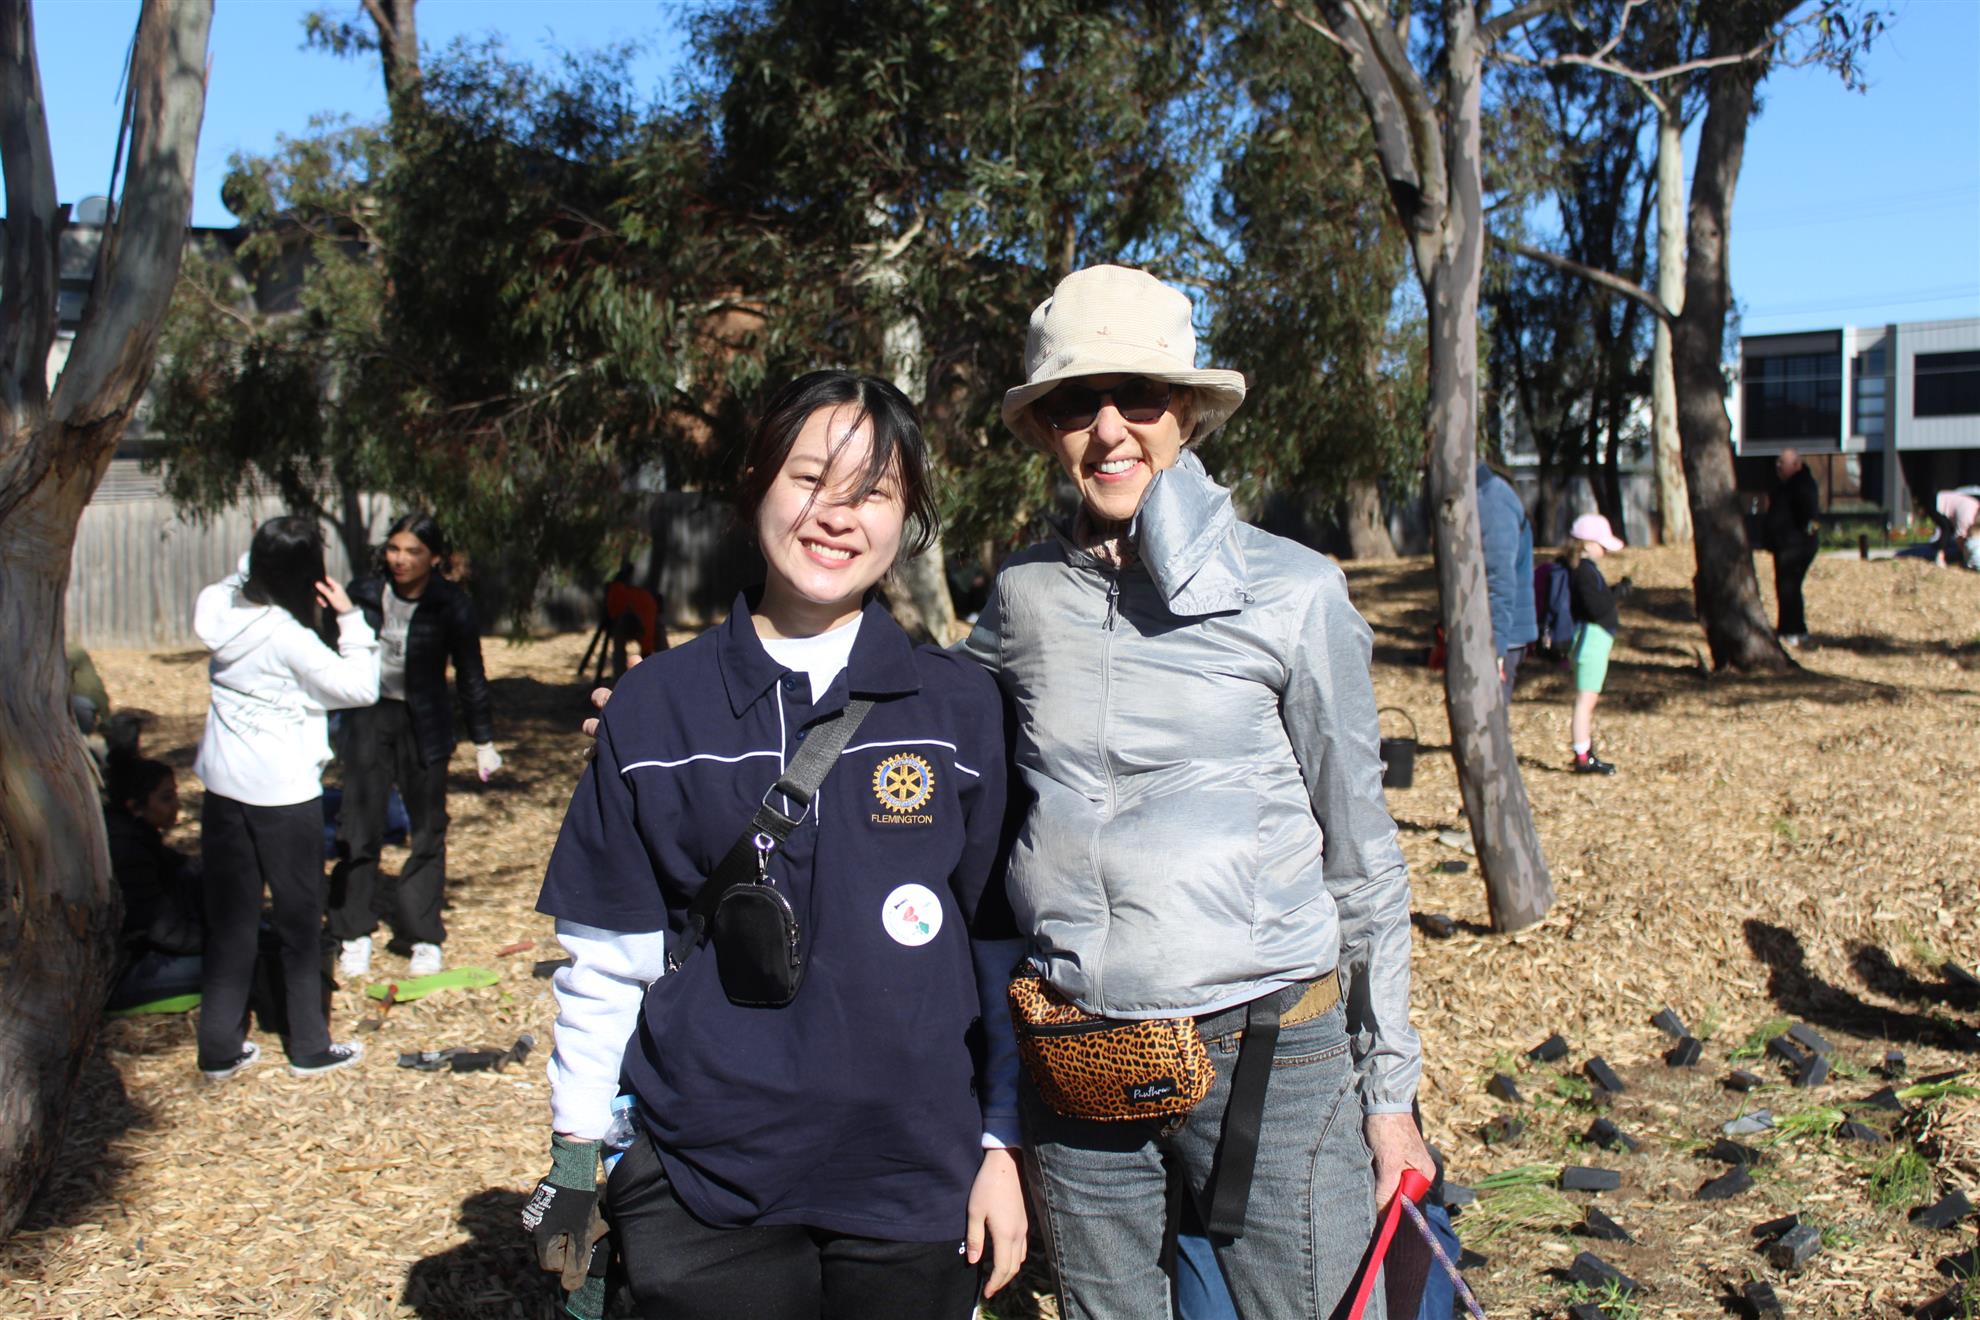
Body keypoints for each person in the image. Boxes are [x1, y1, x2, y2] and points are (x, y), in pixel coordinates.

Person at [966, 264, 1430, 1319]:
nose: (1110, 429)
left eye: (1138, 396)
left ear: (1185, 411)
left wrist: (1390, 1096)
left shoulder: (1294, 590)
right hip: (1078, 1051)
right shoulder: (1023, 597)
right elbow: (926, 729)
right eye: (1076, 403)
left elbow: (1364, 859)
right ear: (1046, 430)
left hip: (1271, 1054)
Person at [527, 371, 1026, 1319]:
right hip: (705, 1180)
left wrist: (1002, 1145)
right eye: (809, 480)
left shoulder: (961, 708)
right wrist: (576, 1158)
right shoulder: (655, 705)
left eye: (874, 492)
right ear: (755, 483)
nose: (837, 516)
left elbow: (999, 950)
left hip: (917, 1177)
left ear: (908, 519)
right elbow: (607, 961)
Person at [192, 516, 379, 1080]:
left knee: (231, 921)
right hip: (282, 794)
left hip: (222, 787)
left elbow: (242, 574)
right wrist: (350, 618)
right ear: (308, 576)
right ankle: (309, 1046)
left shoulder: (215, 605)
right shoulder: (286, 636)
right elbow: (360, 687)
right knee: (298, 923)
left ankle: (218, 1048)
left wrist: (267, 553)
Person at [329, 512, 499, 980]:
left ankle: (422, 934)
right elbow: (326, 656)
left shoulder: (451, 604)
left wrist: (483, 738)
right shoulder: (363, 593)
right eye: (394, 549)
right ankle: (353, 931)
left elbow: (470, 671)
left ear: (434, 558)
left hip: (424, 721)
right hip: (368, 716)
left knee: (427, 829)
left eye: (413, 552)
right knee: (358, 825)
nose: (400, 559)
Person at [104, 753, 204, 1011]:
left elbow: (184, 867)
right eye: (166, 798)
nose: (177, 805)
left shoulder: (135, 834)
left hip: (142, 956)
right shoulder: (127, 850)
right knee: (234, 963)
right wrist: (217, 939)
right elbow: (162, 929)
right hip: (123, 974)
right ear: (135, 806)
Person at [1562, 512, 1624, 776]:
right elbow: (1596, 608)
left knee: (1587, 700)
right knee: (1585, 700)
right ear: (1587, 544)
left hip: (1590, 640)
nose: (1605, 551)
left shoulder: (1580, 569)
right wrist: (1614, 597)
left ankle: (1585, 750)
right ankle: (1583, 757)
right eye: (1602, 544)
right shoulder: (1584, 572)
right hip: (1591, 642)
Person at [1477, 461, 1538, 704]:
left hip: (1502, 639)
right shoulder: (1480, 495)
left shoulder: (1493, 502)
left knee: (1492, 719)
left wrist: (1497, 648)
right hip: (1486, 635)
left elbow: (1500, 582)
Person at [1763, 448, 1820, 646]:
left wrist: (1805, 538)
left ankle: (1793, 630)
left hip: (1796, 546)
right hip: (1785, 545)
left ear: (1796, 465)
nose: (1778, 468)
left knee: (1790, 588)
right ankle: (1791, 628)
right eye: (1777, 464)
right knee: (1786, 587)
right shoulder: (1784, 486)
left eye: (1782, 464)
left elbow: (1811, 515)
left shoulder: (1803, 485)